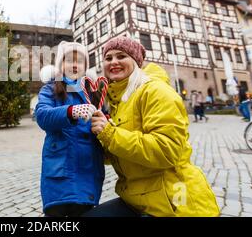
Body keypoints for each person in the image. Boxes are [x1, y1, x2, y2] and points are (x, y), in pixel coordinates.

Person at [84, 36, 219, 217]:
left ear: (136, 61)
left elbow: (166, 150)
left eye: (121, 56)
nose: (114, 62)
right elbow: (120, 152)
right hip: (137, 198)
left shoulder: (155, 91)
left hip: (173, 202)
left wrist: (109, 133)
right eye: (108, 58)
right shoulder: (118, 100)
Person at [35, 41, 105, 217]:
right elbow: (42, 116)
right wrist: (70, 111)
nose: (74, 65)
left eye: (80, 61)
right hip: (60, 171)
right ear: (60, 65)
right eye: (69, 60)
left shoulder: (93, 94)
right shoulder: (50, 89)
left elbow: (105, 121)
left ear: (85, 67)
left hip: (88, 171)